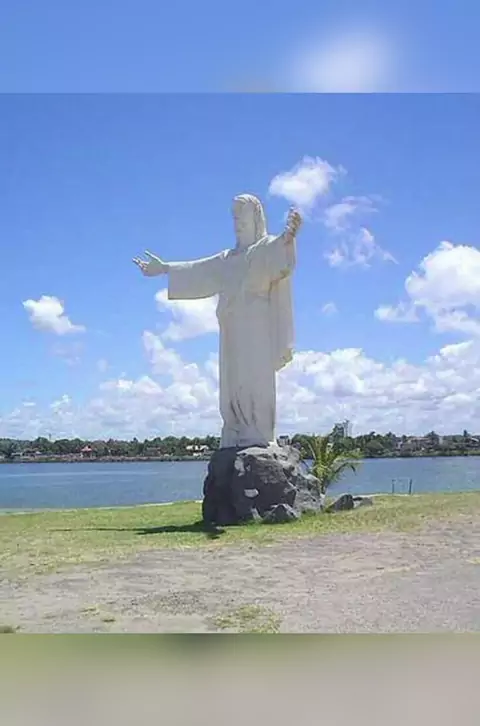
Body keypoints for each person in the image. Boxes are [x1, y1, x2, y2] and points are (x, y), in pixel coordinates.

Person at [133, 194, 302, 449]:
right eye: (234, 216)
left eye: (242, 216)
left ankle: (258, 431)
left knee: (256, 376)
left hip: (257, 326)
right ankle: (235, 428)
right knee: (232, 379)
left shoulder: (265, 248)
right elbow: (198, 270)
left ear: (256, 217)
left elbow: (281, 256)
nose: (237, 222)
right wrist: (164, 268)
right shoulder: (226, 259)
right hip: (231, 328)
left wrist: (289, 237)